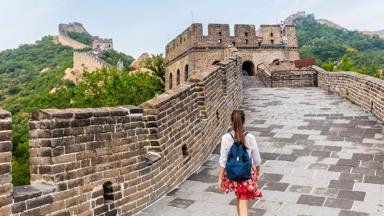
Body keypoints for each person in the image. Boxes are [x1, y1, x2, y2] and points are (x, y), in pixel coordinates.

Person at [218, 110, 263, 216]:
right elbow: (257, 158)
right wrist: (257, 170)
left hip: (232, 175)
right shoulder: (250, 137)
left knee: (239, 197)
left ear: (231, 121)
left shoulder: (226, 138)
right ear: (244, 121)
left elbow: (223, 160)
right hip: (246, 175)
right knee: (243, 206)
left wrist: (220, 178)